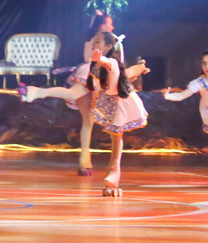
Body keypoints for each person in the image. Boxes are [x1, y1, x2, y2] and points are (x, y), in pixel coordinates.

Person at [20, 11, 116, 175]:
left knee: (88, 120)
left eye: (111, 24)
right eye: (108, 23)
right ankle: (35, 92)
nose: (111, 26)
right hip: (90, 72)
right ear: (100, 25)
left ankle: (85, 162)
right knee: (73, 94)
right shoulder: (94, 39)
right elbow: (88, 58)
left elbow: (118, 64)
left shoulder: (114, 42)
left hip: (103, 79)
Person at [85, 32, 148, 197]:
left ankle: (114, 170)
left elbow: (106, 63)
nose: (93, 44)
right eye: (93, 41)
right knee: (115, 137)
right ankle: (113, 172)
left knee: (116, 136)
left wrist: (99, 59)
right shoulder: (95, 65)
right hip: (109, 100)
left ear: (108, 47)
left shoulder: (110, 61)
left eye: (98, 41)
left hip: (120, 102)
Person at [163, 51, 208, 136]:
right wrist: (168, 96)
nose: (207, 67)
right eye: (204, 63)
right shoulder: (199, 83)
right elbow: (181, 95)